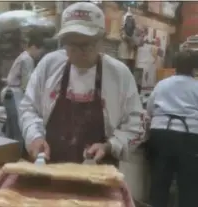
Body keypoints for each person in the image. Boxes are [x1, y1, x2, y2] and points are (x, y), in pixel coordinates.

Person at [19, 2, 145, 165]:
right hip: (51, 166)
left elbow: (135, 123)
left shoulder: (119, 75)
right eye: (71, 44)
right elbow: (29, 108)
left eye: (86, 45)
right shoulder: (49, 66)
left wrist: (109, 146)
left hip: (99, 171)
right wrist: (35, 137)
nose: (78, 52)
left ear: (100, 41)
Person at [146, 50, 198, 207]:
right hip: (189, 136)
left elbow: (149, 109)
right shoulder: (196, 86)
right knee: (188, 184)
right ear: (195, 68)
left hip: (161, 134)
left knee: (159, 181)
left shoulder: (162, 84)